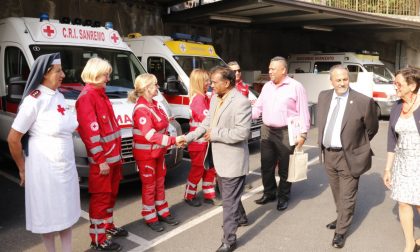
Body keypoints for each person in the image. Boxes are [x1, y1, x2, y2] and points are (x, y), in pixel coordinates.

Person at [7, 53, 80, 252]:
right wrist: (22, 169)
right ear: (45, 74)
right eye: (58, 71)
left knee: (67, 212)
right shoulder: (34, 100)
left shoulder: (59, 96)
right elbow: (13, 139)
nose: (63, 75)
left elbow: (69, 124)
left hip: (65, 165)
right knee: (47, 216)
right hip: (43, 168)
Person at [185, 66, 251, 252]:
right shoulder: (215, 98)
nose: (210, 85)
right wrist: (187, 138)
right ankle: (242, 217)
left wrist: (216, 134)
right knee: (231, 196)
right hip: (217, 159)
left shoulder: (241, 102)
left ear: (227, 83)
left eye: (214, 82)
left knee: (228, 202)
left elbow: (242, 132)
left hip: (232, 161)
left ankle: (229, 240)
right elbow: (206, 124)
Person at [317, 65, 379, 249]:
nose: (342, 83)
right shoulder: (324, 96)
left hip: (349, 155)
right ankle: (341, 217)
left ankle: (341, 231)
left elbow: (372, 128)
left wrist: (356, 145)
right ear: (331, 81)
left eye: (345, 79)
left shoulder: (362, 101)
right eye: (338, 80)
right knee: (337, 192)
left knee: (347, 195)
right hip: (329, 154)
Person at [76, 57, 128, 251]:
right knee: (100, 199)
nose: (108, 78)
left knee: (111, 195)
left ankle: (108, 226)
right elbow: (91, 134)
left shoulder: (100, 94)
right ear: (96, 74)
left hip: (113, 160)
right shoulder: (87, 97)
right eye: (106, 74)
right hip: (103, 162)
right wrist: (100, 160)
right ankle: (98, 238)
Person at [252, 56, 310, 211]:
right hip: (267, 130)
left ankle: (283, 196)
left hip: (286, 131)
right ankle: (269, 193)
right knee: (266, 165)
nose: (269, 71)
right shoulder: (267, 87)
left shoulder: (296, 87)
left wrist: (303, 134)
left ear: (283, 70)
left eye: (273, 69)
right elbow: (258, 107)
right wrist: (243, 116)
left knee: (285, 167)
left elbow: (303, 111)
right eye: (269, 68)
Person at [128, 73, 183, 232]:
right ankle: (150, 216)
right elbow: (150, 135)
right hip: (146, 156)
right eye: (155, 85)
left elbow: (165, 124)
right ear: (146, 88)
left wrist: (170, 140)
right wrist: (173, 141)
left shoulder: (155, 104)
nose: (158, 87)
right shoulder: (141, 109)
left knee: (159, 183)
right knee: (149, 186)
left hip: (158, 152)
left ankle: (163, 211)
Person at [383, 67, 420, 252]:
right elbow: (392, 140)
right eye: (394, 83)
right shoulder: (397, 106)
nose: (394, 86)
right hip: (403, 163)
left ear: (412, 86)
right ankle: (410, 243)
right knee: (404, 203)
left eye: (399, 84)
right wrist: (388, 169)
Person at [183, 69, 217, 207]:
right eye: (206, 81)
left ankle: (209, 194)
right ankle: (189, 195)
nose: (209, 83)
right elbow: (208, 118)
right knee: (198, 170)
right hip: (198, 143)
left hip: (205, 142)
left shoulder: (203, 97)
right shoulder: (198, 99)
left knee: (209, 169)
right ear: (199, 82)